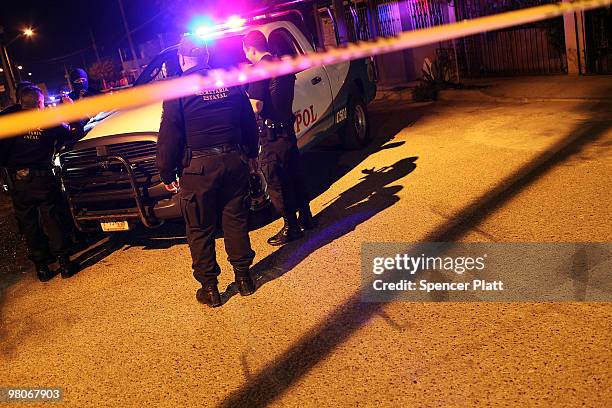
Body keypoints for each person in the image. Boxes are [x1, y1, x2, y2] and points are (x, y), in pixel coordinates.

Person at [156, 35, 259, 308]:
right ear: (206, 58)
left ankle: (211, 289)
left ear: (181, 60)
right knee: (235, 220)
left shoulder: (178, 91)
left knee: (200, 228)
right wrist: (252, 154)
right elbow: (248, 122)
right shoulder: (228, 81)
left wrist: (166, 174)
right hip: (233, 161)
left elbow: (169, 137)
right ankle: (244, 278)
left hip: (198, 171)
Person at [0, 86, 83, 281]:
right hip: (42, 178)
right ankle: (64, 264)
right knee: (52, 218)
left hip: (18, 181)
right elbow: (73, 133)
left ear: (20, 102)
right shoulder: (47, 120)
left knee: (29, 224)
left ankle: (42, 269)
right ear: (39, 103)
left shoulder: (9, 122)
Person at [243, 30, 314, 246]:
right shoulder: (280, 64)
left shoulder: (259, 70)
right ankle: (306, 217)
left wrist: (241, 100)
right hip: (287, 130)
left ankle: (291, 226)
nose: (245, 55)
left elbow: (257, 105)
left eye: (245, 51)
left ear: (251, 49)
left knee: (276, 182)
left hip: (271, 134)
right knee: (295, 174)